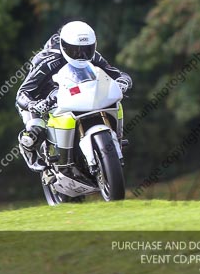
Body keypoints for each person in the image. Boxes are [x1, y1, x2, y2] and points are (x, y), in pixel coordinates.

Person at [15, 21, 132, 171]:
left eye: (86, 50)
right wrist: (33, 104)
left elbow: (117, 74)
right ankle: (27, 147)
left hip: (76, 94)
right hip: (41, 98)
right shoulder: (46, 61)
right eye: (75, 50)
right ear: (64, 46)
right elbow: (22, 93)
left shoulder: (94, 57)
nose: (81, 55)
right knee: (34, 130)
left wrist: (123, 82)